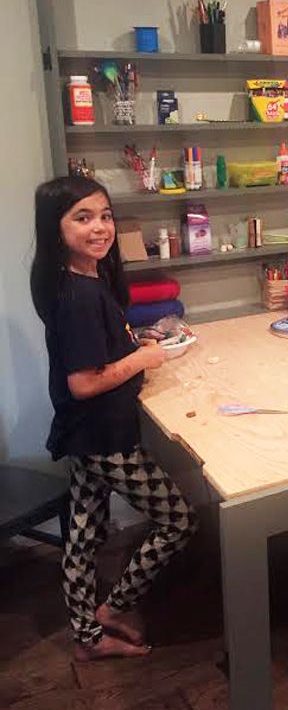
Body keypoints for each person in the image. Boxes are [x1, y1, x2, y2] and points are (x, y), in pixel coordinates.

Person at [30, 176, 197, 660]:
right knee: (179, 521)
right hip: (104, 436)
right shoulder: (79, 296)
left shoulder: (81, 278)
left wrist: (135, 346)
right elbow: (83, 382)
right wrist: (142, 360)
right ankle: (117, 607)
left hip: (87, 433)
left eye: (104, 215)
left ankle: (86, 637)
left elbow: (98, 353)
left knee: (84, 533)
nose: (99, 227)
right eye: (82, 218)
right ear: (54, 228)